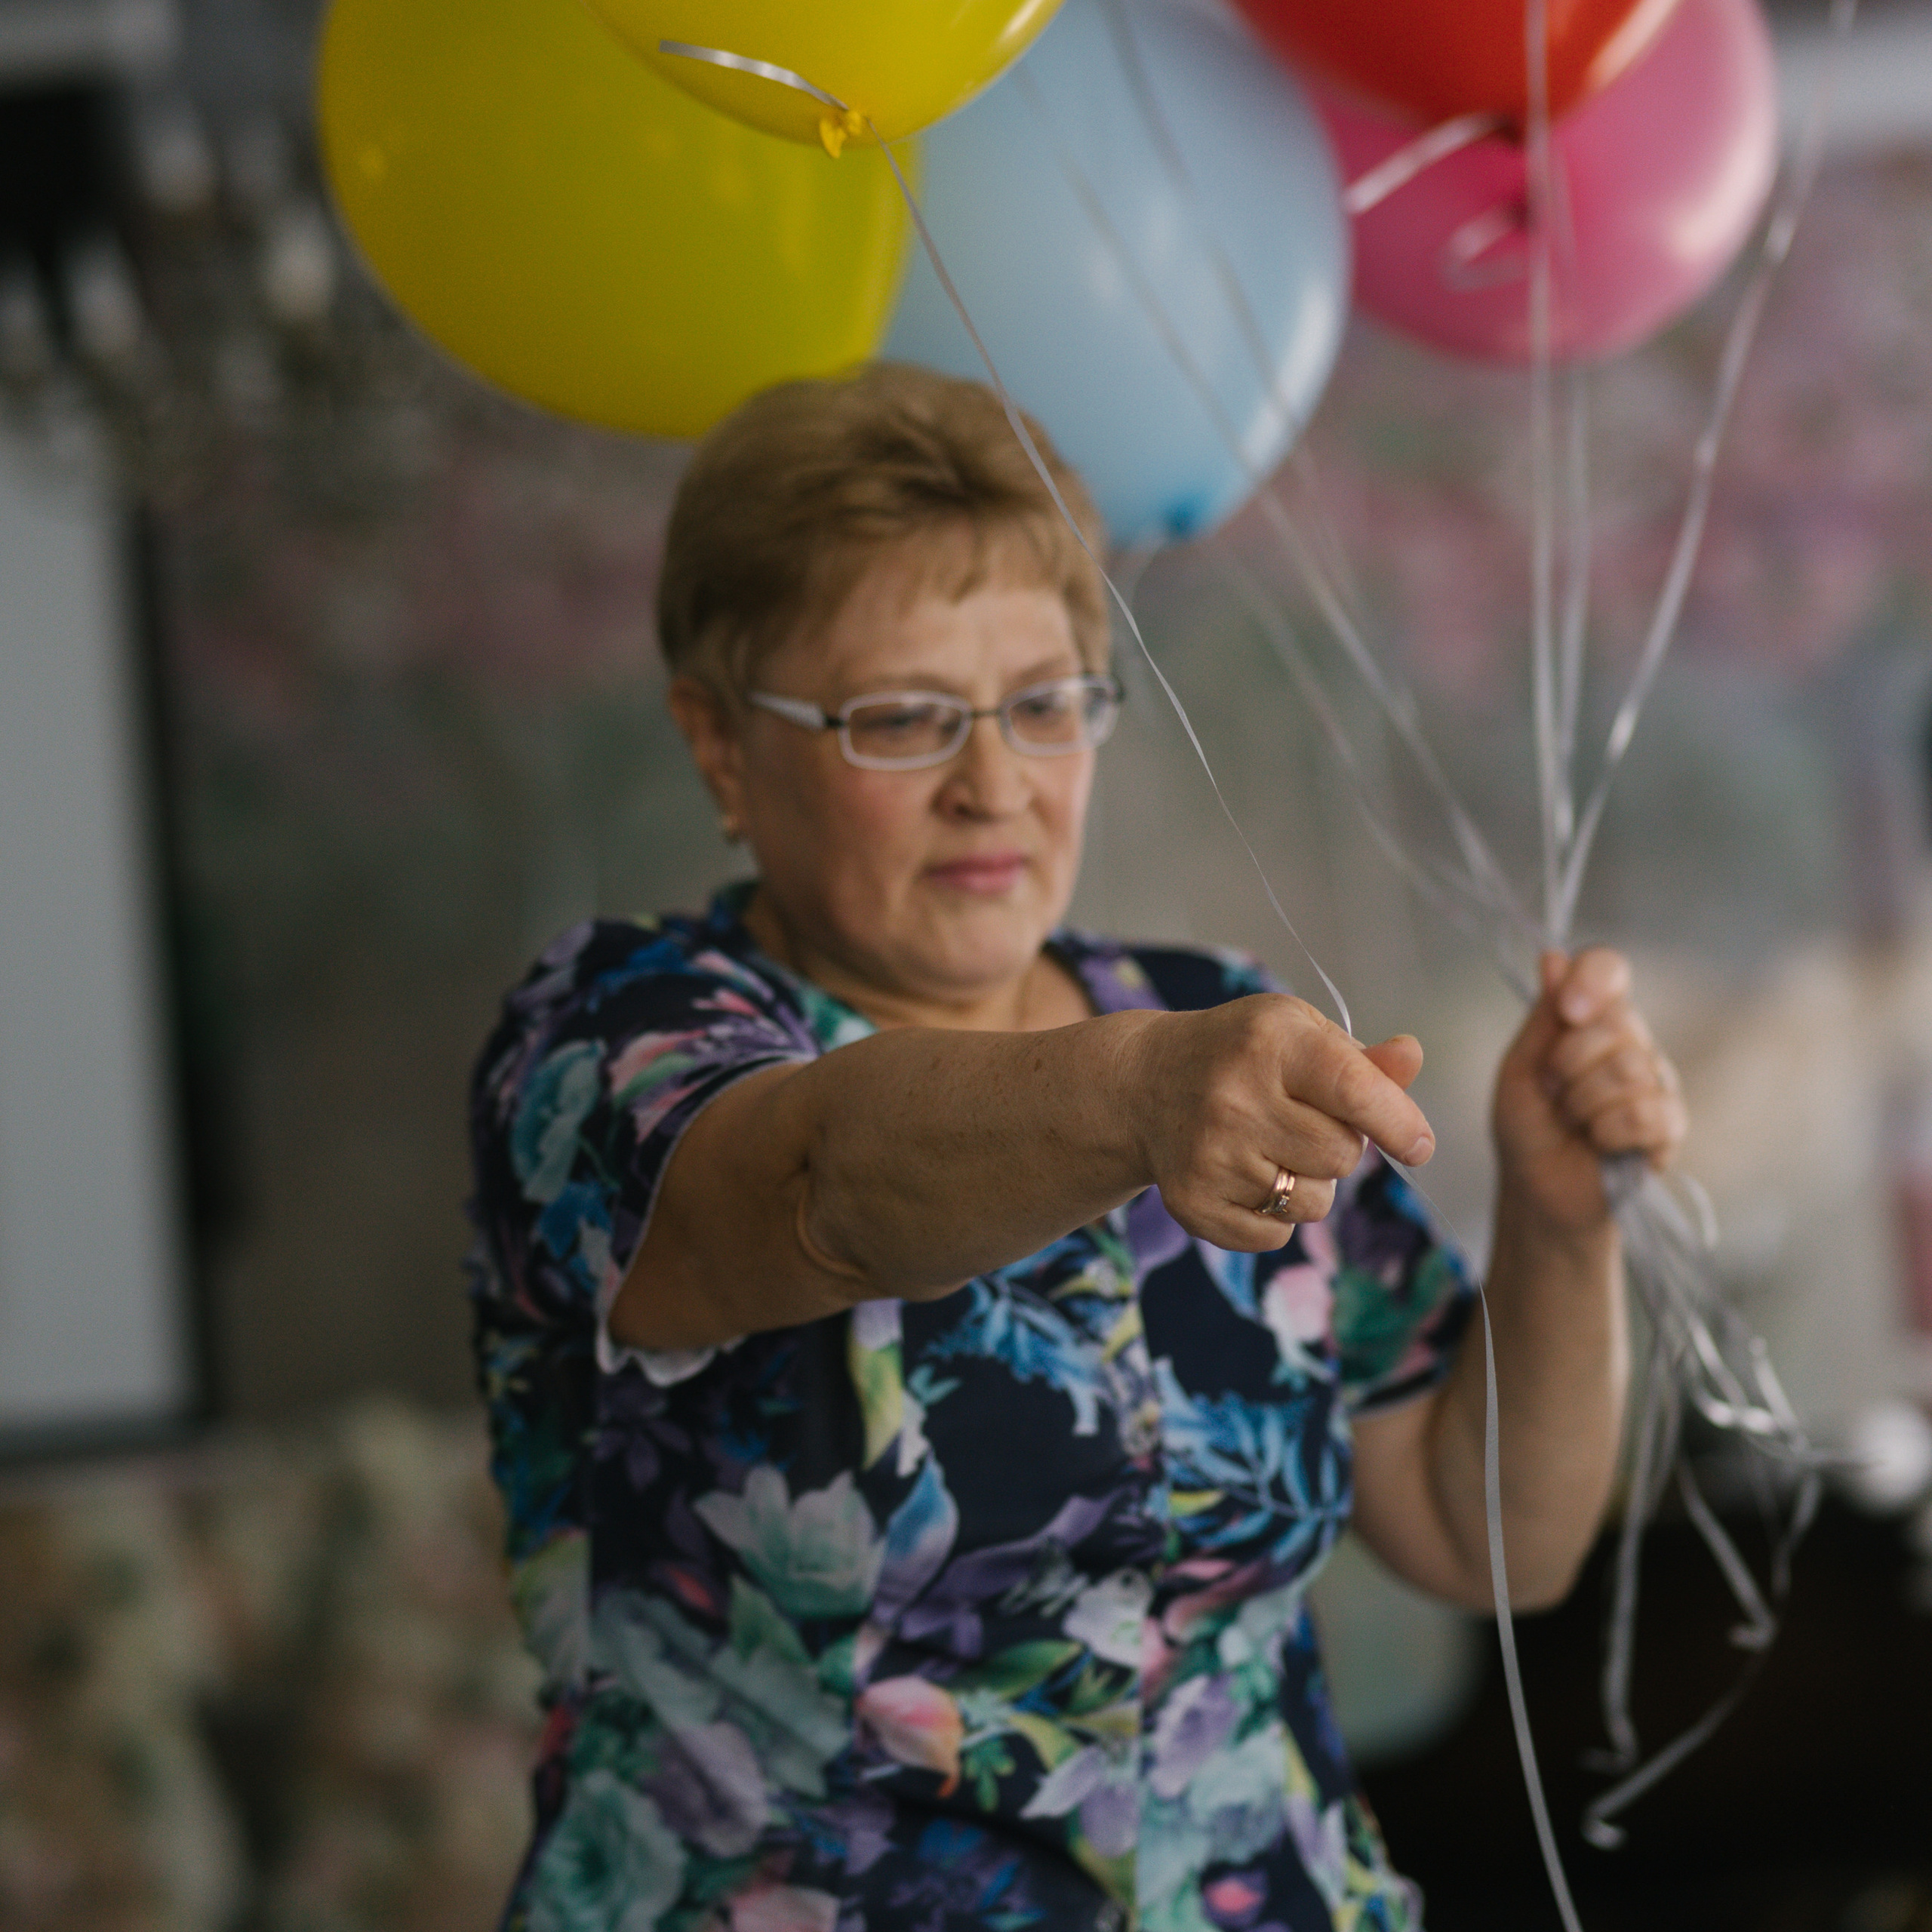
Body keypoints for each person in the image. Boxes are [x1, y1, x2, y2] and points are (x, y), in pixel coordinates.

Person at [467, 364, 1685, 1932]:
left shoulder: (1210, 1021)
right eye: (903, 716)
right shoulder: (610, 1035)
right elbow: (812, 1186)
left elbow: (1485, 1533)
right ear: (718, 746)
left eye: (1043, 703)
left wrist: (1559, 1219)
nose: (995, 784)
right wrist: (1140, 1097)